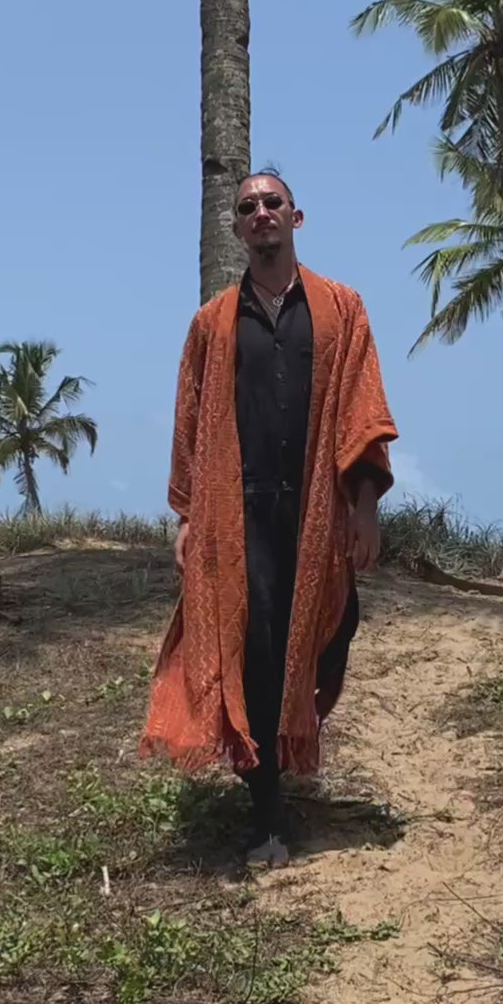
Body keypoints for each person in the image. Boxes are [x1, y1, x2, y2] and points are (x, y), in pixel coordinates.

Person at [141, 170, 398, 867]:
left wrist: (364, 508)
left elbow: (363, 412)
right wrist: (188, 516)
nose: (260, 213)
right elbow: (191, 420)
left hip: (316, 506)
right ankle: (267, 812)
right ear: (235, 228)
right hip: (240, 510)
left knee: (334, 627)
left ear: (295, 217)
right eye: (247, 207)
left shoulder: (341, 309)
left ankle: (288, 734)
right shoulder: (212, 323)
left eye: (271, 203)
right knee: (256, 649)